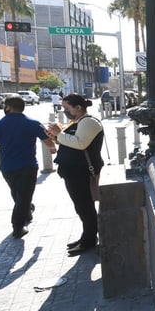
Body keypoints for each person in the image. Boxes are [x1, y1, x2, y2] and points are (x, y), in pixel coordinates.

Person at [0, 95, 57, 238]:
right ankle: (17, 226)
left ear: (8, 107)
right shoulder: (33, 123)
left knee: (18, 193)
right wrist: (53, 148)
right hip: (27, 165)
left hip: (7, 167)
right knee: (23, 195)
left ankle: (26, 211)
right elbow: (47, 140)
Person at [46, 93, 104, 255]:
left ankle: (89, 240)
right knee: (81, 206)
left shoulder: (89, 122)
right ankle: (87, 236)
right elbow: (71, 141)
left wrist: (59, 134)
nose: (64, 111)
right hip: (73, 171)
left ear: (78, 108)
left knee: (85, 206)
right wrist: (57, 137)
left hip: (81, 171)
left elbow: (80, 143)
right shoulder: (78, 121)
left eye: (66, 108)